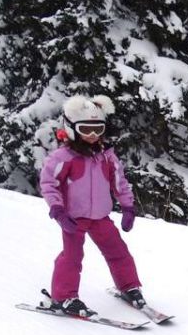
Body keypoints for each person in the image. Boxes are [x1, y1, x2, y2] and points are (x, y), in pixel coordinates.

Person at [39, 94, 145, 317]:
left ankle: (129, 286)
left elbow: (119, 182)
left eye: (98, 129)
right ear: (72, 129)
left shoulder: (106, 156)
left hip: (100, 217)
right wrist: (57, 210)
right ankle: (64, 297)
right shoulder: (63, 157)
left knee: (118, 251)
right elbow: (49, 184)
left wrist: (127, 207)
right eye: (86, 129)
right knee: (72, 256)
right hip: (73, 219)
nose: (93, 135)